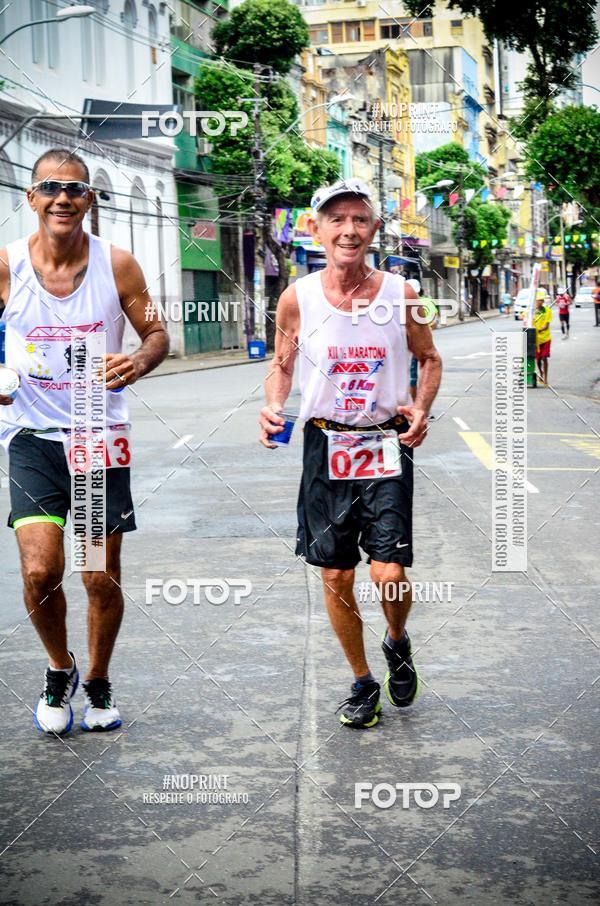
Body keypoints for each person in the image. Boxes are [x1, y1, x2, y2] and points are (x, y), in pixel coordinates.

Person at [259, 178, 442, 729]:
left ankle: (397, 639)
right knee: (336, 576)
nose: (348, 230)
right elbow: (282, 363)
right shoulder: (297, 298)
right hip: (324, 443)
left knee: (388, 573)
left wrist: (422, 407)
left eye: (359, 219)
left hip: (385, 440)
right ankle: (363, 682)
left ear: (373, 230)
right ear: (315, 228)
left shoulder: (402, 294)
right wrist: (271, 406)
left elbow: (429, 358)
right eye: (335, 219)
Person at [0, 148, 169, 736]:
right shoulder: (6, 266)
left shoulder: (118, 266)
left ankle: (97, 681)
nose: (62, 197)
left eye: (74, 189)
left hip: (97, 438)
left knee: (97, 575)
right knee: (41, 571)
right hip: (31, 437)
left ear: (89, 200)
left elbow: (156, 333)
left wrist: (140, 360)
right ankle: (58, 668)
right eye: (50, 187)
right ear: (32, 199)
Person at [533, 289, 552, 385]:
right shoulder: (533, 311)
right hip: (536, 340)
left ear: (543, 302)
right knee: (538, 359)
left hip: (546, 338)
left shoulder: (547, 311)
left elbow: (547, 325)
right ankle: (541, 373)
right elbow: (522, 316)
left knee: (544, 357)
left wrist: (541, 329)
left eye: (540, 300)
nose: (538, 302)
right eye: (537, 300)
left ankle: (546, 379)